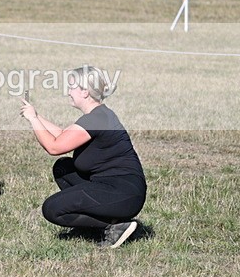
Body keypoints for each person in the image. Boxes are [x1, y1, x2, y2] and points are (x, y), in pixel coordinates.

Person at [19, 66, 146, 248]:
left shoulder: (96, 119)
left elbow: (53, 147)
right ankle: (93, 225)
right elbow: (63, 136)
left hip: (124, 193)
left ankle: (114, 226)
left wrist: (33, 120)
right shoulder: (98, 115)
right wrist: (36, 116)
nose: (68, 92)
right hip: (114, 188)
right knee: (64, 168)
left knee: (52, 209)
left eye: (71, 87)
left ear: (85, 92)